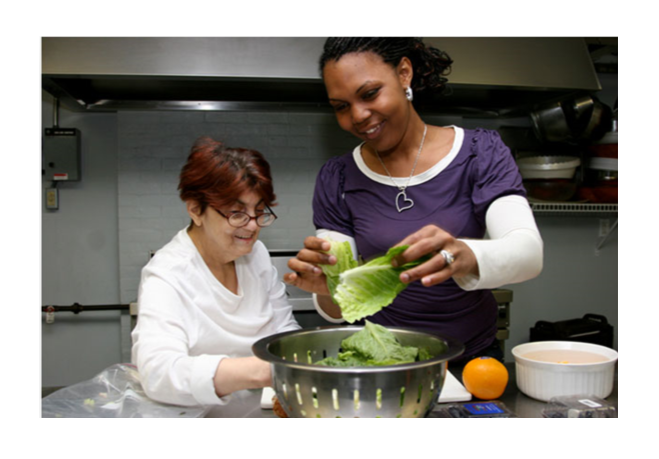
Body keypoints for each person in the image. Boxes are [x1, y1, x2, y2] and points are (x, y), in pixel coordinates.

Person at [284, 38, 543, 361]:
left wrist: (462, 253)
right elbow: (339, 307)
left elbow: (528, 253)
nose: (359, 115)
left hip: (471, 359)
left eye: (369, 94)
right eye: (341, 106)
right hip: (384, 361)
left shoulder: (481, 153)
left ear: (404, 73)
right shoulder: (337, 178)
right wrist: (328, 290)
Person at [132, 137, 300, 407]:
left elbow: (284, 330)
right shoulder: (168, 273)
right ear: (196, 210)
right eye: (237, 213)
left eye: (259, 212)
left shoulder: (256, 255)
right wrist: (261, 371)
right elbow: (159, 373)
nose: (252, 226)